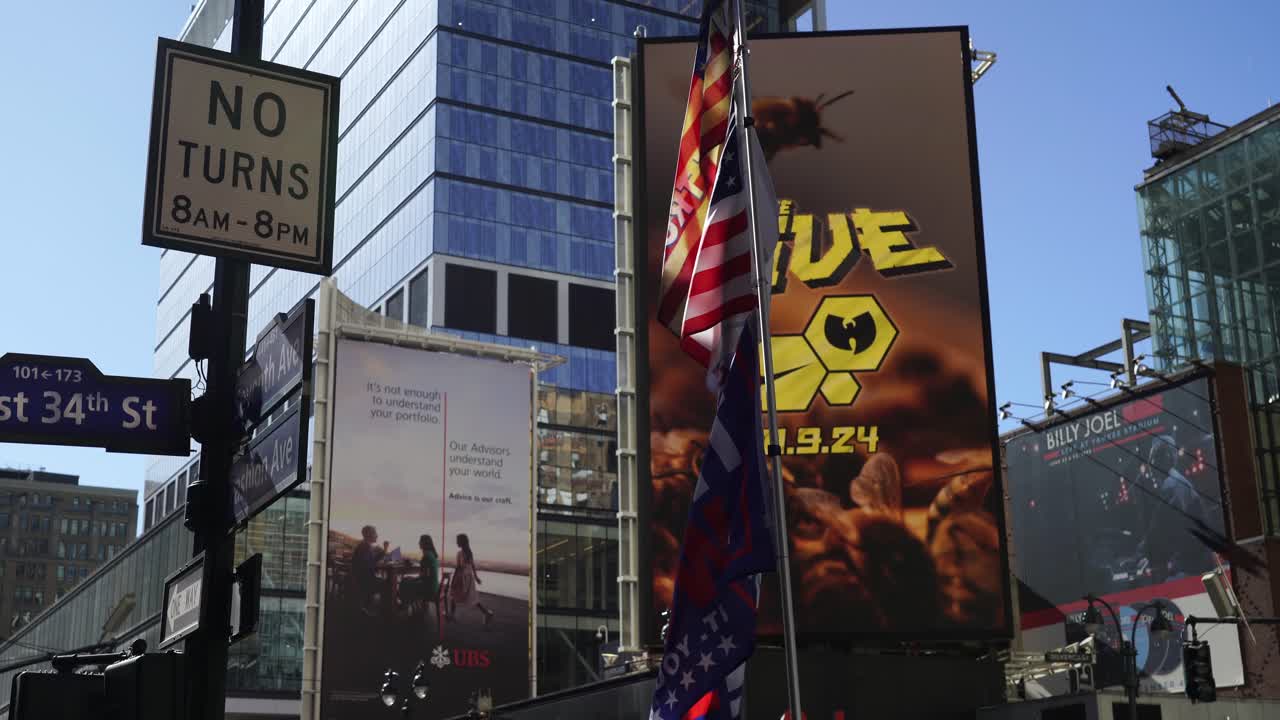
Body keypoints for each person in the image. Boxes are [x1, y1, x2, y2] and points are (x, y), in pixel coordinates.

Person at [448, 533, 495, 626]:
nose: (456, 542)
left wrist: (453, 579)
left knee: (453, 594)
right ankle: (487, 613)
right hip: (469, 577)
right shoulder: (469, 552)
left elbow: (458, 567)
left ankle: (452, 615)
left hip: (462, 577)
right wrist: (476, 577)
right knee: (472, 598)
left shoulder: (460, 553)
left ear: (461, 542)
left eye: (457, 540)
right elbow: (472, 565)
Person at [351, 525, 391, 616]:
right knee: (389, 583)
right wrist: (377, 565)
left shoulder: (364, 546)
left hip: (363, 579)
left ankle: (372, 607)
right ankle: (385, 610)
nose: (377, 536)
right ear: (369, 535)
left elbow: (371, 561)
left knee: (385, 582)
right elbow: (367, 566)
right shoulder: (364, 547)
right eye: (375, 533)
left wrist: (384, 550)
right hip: (365, 581)